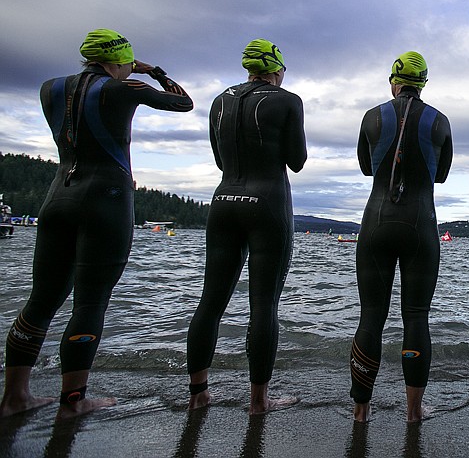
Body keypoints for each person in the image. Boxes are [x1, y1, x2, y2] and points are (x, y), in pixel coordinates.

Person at [0, 28, 193, 419]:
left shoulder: (49, 88)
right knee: (90, 302)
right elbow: (183, 103)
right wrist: (153, 71)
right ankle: (73, 403)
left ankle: (14, 397)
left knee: (41, 300)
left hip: (58, 197)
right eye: (127, 61)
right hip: (106, 199)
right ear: (121, 59)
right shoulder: (125, 89)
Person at [186, 38, 306, 413]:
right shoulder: (288, 100)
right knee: (263, 305)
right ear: (275, 69)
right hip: (267, 203)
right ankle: (259, 401)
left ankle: (198, 394)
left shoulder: (219, 100)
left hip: (223, 202)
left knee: (210, 301)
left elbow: (221, 158)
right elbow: (297, 160)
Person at [350, 51, 453, 422]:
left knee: (371, 317)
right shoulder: (440, 120)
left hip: (376, 222)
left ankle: (361, 412)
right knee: (416, 318)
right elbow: (439, 175)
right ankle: (413, 411)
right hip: (420, 224)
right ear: (424, 82)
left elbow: (366, 167)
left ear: (393, 80)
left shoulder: (371, 116)